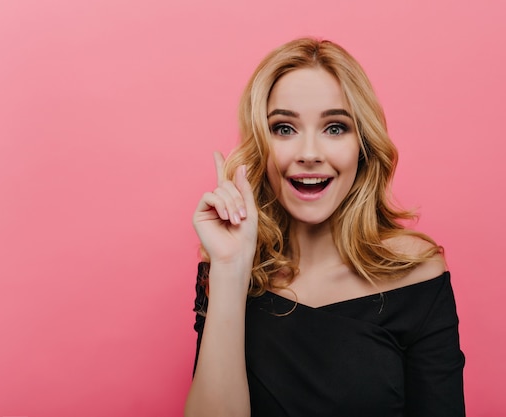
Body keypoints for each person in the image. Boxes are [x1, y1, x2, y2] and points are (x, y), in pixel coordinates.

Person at [185, 38, 465, 417]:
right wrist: (231, 271)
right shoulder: (227, 269)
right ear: (260, 145)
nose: (310, 153)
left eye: (335, 128)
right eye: (284, 128)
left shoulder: (416, 275)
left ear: (363, 146)